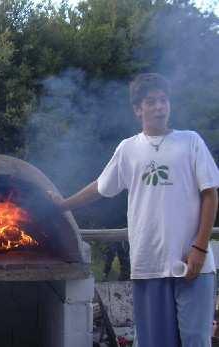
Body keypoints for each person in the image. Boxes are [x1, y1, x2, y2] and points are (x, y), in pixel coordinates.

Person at [51, 73, 219, 347]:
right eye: (150, 102)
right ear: (137, 109)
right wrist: (62, 205)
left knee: (195, 341)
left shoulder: (190, 142)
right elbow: (99, 187)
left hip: (192, 264)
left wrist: (200, 248)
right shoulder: (128, 149)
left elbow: (210, 194)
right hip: (148, 264)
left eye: (163, 101)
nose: (159, 107)